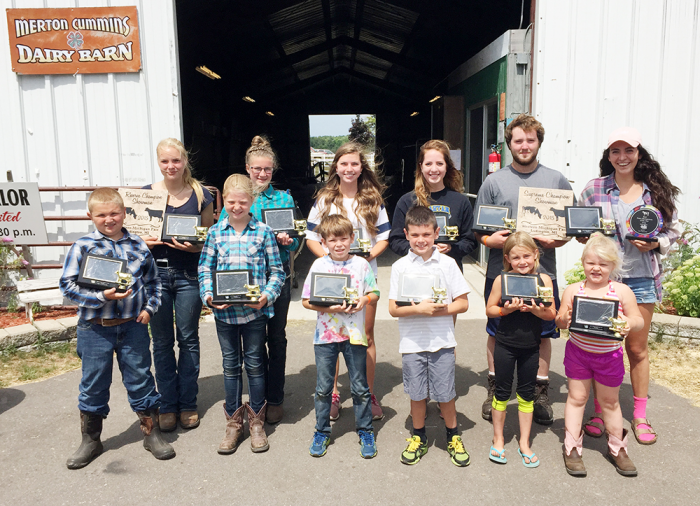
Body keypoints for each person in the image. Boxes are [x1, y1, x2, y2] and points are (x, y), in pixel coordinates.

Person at [578, 127, 681, 445]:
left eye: (629, 151)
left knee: (636, 349)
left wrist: (657, 244)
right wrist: (582, 234)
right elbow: (583, 226)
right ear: (608, 156)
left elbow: (674, 232)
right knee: (601, 349)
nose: (622, 157)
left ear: (639, 154)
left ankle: (639, 415)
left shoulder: (654, 190)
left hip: (641, 280)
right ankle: (598, 412)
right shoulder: (595, 188)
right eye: (615, 152)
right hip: (603, 281)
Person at [60, 188, 175, 469]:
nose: (108, 219)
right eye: (101, 215)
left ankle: (152, 433)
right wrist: (101, 297)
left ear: (124, 213)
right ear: (91, 216)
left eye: (114, 213)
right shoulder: (82, 246)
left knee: (141, 379)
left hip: (132, 326)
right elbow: (67, 285)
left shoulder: (137, 245)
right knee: (93, 383)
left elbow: (153, 282)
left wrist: (149, 308)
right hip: (94, 328)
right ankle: (91, 440)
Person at [473, 114, 574, 425]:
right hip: (500, 273)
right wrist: (493, 239)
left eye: (531, 140)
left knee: (543, 332)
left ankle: (537, 392)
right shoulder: (494, 181)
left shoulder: (556, 180)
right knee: (498, 329)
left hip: (543, 272)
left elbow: (569, 228)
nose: (525, 145)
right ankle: (496, 389)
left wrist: (554, 240)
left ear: (539, 143)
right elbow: (480, 231)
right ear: (509, 144)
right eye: (518, 140)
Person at [198, 174, 285, 455]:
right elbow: (204, 270)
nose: (237, 207)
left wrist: (266, 297)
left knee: (256, 365)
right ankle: (234, 423)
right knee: (230, 367)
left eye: (243, 201)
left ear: (252, 201)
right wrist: (209, 296)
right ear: (224, 200)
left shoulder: (263, 232)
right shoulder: (214, 233)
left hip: (253, 314)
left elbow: (277, 272)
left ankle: (257, 421)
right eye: (232, 201)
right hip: (225, 315)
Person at [217, 136, 300, 424]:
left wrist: (289, 240)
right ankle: (258, 400)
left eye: (267, 169)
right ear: (247, 168)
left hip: (275, 281)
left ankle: (274, 398)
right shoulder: (237, 199)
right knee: (252, 345)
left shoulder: (284, 199)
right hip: (244, 285)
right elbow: (220, 236)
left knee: (275, 339)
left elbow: (296, 239)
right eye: (256, 169)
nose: (262, 174)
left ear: (273, 170)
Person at [306, 142, 390, 421]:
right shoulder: (325, 200)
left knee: (364, 335)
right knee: (334, 336)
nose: (350, 169)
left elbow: (384, 238)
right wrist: (330, 264)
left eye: (355, 163)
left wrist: (361, 263)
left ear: (361, 166)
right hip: (331, 280)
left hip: (363, 277)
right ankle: (332, 393)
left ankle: (367, 390)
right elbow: (310, 237)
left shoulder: (372, 198)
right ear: (336, 167)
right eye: (344, 164)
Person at [388, 206, 471, 467]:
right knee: (416, 393)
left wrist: (435, 312)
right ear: (406, 234)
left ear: (437, 233)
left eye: (426, 234)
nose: (420, 240)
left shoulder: (448, 264)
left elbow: (463, 303)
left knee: (446, 394)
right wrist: (417, 309)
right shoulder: (400, 266)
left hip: (442, 342)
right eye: (414, 235)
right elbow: (393, 309)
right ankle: (419, 435)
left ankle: (453, 434)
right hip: (412, 343)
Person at [556, 234, 644, 477]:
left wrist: (629, 323)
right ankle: (572, 447)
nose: (596, 268)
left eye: (603, 264)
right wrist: (564, 317)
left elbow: (638, 320)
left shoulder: (622, 292)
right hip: (578, 353)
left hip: (609, 356)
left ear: (612, 266)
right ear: (583, 262)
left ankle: (618, 449)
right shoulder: (573, 290)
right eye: (591, 262)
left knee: (610, 402)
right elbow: (560, 321)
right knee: (576, 398)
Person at [142, 138, 214, 432]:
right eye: (164, 161)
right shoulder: (144, 196)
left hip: (188, 275)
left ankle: (188, 403)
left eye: (176, 160)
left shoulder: (201, 195)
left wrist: (193, 249)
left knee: (188, 339)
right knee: (160, 342)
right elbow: (131, 239)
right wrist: (142, 242)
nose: (171, 166)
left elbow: (208, 239)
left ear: (185, 161)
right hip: (155, 276)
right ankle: (167, 403)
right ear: (158, 163)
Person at [302, 214, 380, 459]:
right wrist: (328, 308)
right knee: (324, 388)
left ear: (352, 238)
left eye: (343, 239)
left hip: (354, 335)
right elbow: (306, 301)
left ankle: (365, 430)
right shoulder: (319, 266)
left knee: (360, 386)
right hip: (326, 336)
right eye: (333, 240)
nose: (339, 244)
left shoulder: (361, 265)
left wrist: (364, 300)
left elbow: (375, 292)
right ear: (323, 242)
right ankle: (322, 431)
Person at [484, 232, 556, 467]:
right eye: (516, 258)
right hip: (505, 345)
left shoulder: (543, 280)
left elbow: (551, 313)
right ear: (507, 259)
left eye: (526, 256)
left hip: (530, 347)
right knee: (502, 393)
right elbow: (490, 310)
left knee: (526, 395)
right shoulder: (501, 279)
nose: (522, 261)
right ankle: (498, 439)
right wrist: (507, 310)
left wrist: (535, 310)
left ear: (536, 254)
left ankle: (525, 442)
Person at [389, 139, 477, 270]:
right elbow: (396, 240)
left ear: (447, 166)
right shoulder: (407, 201)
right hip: (415, 271)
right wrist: (420, 249)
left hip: (449, 272)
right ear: (421, 166)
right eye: (428, 163)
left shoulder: (461, 202)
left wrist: (451, 248)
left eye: (440, 163)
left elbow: (470, 240)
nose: (434, 169)